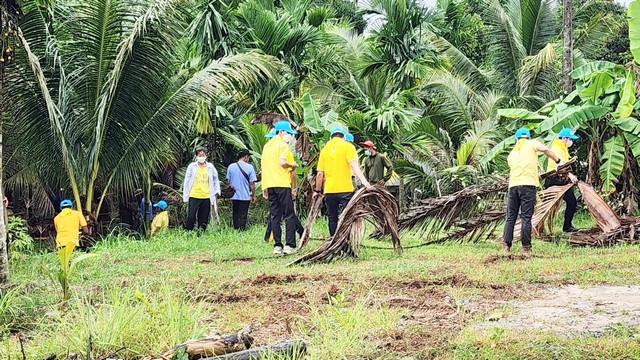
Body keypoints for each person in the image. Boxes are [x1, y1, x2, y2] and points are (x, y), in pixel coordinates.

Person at [502, 128, 562, 253]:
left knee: (510, 217)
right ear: (528, 138)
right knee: (526, 217)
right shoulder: (532, 143)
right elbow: (545, 149)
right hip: (528, 185)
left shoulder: (512, 153)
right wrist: (557, 160)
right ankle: (526, 247)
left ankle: (506, 246)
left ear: (517, 139)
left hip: (513, 186)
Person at [315, 126, 372, 236]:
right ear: (344, 137)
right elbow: (354, 165)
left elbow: (320, 174)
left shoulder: (324, 150)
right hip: (345, 189)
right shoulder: (348, 146)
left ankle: (333, 243)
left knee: (332, 218)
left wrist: (317, 191)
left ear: (331, 138)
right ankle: (346, 243)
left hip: (329, 190)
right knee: (347, 217)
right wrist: (364, 182)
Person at [261, 120, 299, 255]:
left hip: (270, 185)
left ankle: (277, 245)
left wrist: (264, 187)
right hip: (282, 184)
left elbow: (263, 168)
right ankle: (290, 245)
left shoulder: (267, 146)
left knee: (275, 216)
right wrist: (292, 166)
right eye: (288, 132)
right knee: (289, 215)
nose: (290, 136)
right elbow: (282, 162)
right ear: (282, 132)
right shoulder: (282, 145)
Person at [545, 128, 580, 233]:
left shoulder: (563, 148)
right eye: (570, 139)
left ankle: (567, 227)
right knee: (547, 205)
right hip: (554, 179)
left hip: (561, 179)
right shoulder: (557, 148)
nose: (571, 141)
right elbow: (560, 166)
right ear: (564, 138)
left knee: (572, 202)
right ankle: (537, 225)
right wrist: (571, 176)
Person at [183, 147, 221, 232]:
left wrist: (217, 190)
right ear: (196, 156)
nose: (201, 157)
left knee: (204, 216)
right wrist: (185, 195)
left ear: (206, 156)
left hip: (206, 196)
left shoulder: (210, 167)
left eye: (203, 155)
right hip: (194, 195)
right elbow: (187, 181)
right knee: (191, 216)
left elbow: (215, 178)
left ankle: (201, 232)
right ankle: (189, 231)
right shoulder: (192, 166)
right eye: (200, 155)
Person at [227, 149, 258, 231]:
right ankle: (241, 229)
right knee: (243, 214)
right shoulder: (250, 167)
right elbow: (252, 183)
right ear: (245, 157)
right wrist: (254, 195)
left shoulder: (231, 166)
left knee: (235, 213)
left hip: (234, 195)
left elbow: (228, 182)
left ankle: (235, 228)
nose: (248, 159)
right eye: (248, 157)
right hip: (245, 196)